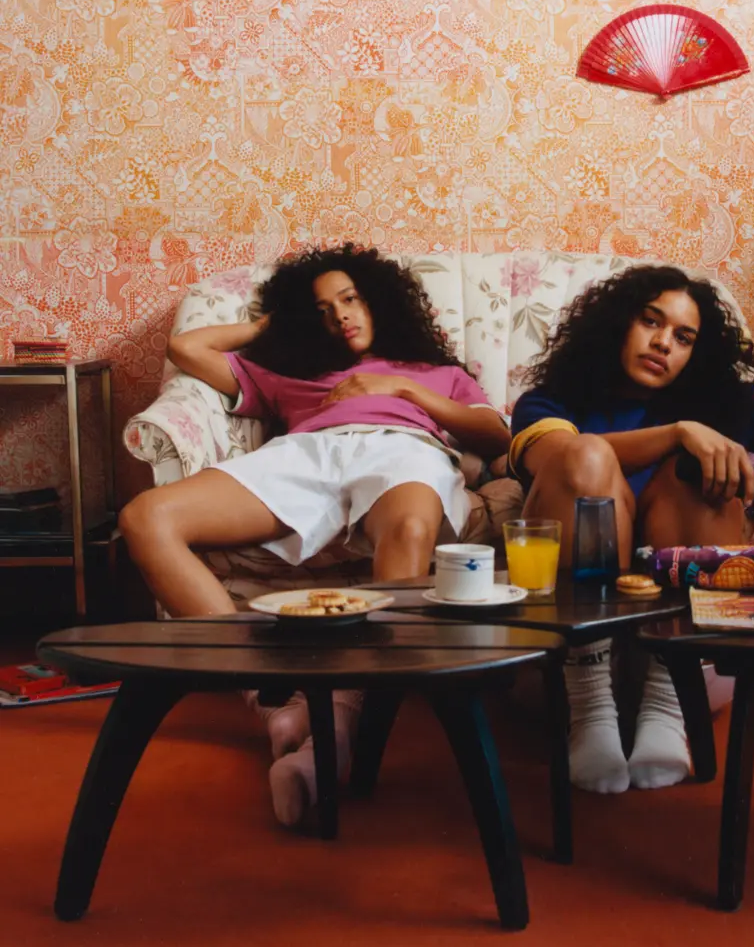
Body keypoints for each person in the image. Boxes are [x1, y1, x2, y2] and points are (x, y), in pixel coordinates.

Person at [120, 244, 510, 827]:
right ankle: (271, 698)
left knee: (409, 526)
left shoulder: (438, 373)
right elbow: (186, 349)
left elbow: (496, 435)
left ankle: (343, 717)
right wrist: (271, 327)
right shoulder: (292, 372)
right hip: (306, 453)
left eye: (349, 299)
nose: (340, 315)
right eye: (322, 309)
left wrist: (400, 390)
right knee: (145, 518)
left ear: (378, 302)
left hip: (403, 451)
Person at [508, 264, 754, 794]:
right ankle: (592, 714)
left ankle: (664, 710)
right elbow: (558, 457)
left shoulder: (716, 407)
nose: (663, 343)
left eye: (684, 337)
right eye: (650, 321)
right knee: (587, 454)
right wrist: (679, 433)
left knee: (705, 470)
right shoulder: (549, 402)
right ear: (617, 323)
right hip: (568, 662)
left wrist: (729, 342)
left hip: (686, 670)